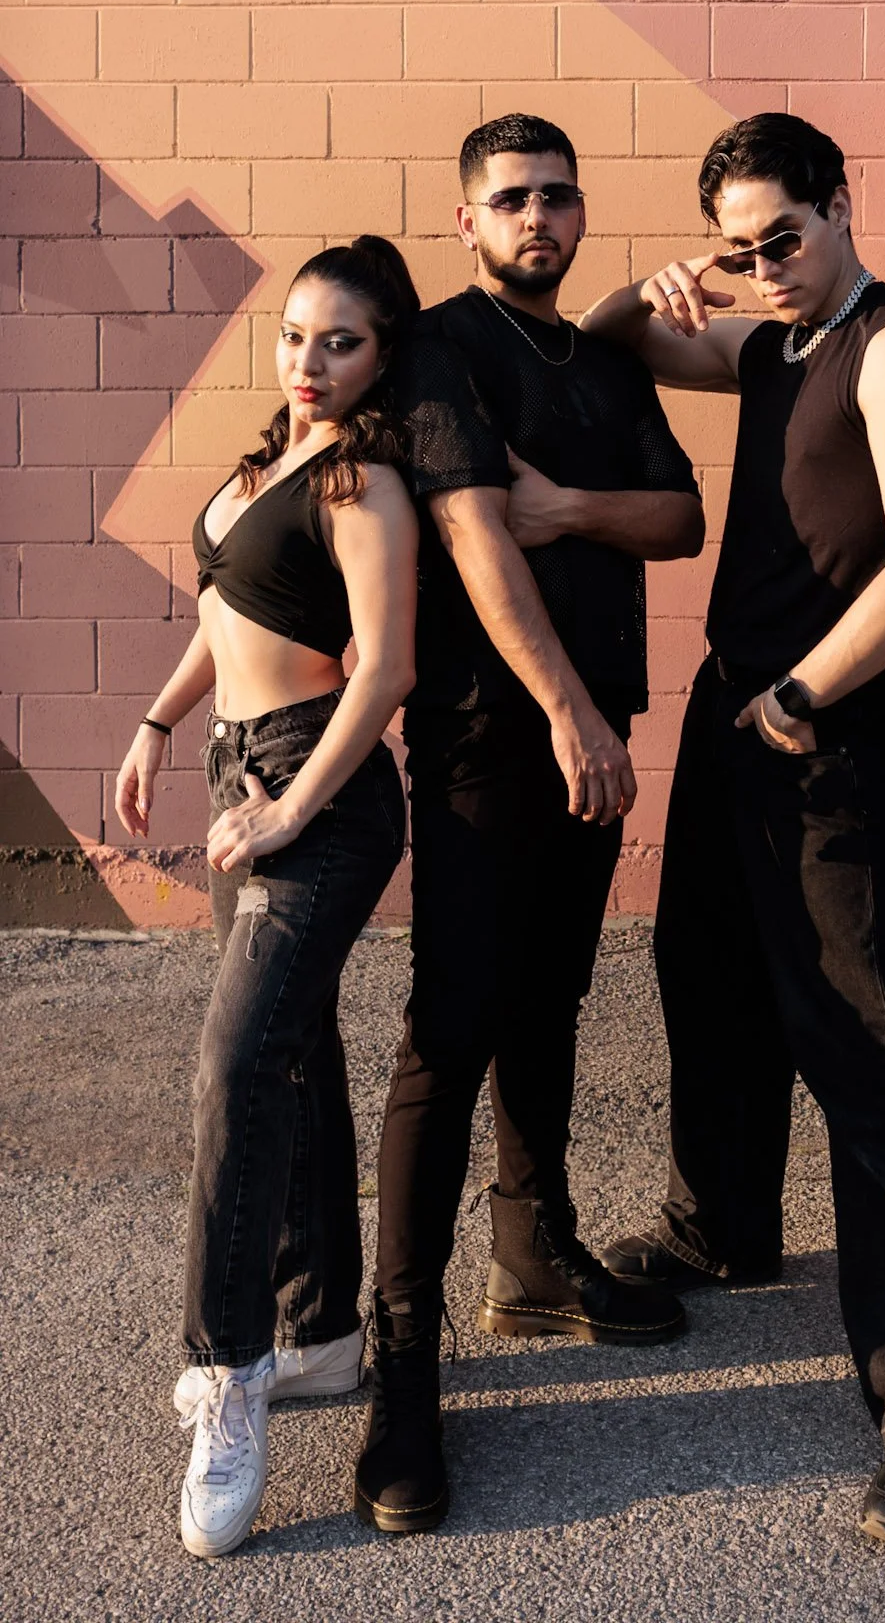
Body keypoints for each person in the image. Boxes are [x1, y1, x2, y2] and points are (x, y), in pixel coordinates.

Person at [581, 113, 885, 1550]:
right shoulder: (770, 341)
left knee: (868, 1036)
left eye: (786, 235)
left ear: (842, 205)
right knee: (703, 971)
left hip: (818, 724)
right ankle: (725, 1223)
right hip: (737, 708)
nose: (767, 266)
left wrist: (800, 694)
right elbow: (609, 339)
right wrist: (670, 278)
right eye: (742, 244)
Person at [355, 113, 705, 1536]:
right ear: (467, 220)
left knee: (552, 994)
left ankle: (535, 1254)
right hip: (495, 735)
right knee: (452, 1020)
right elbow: (473, 534)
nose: (539, 219)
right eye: (511, 200)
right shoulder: (445, 349)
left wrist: (573, 503)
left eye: (559, 198)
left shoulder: (605, 358)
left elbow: (680, 518)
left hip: (594, 724)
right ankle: (402, 1361)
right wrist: (564, 706)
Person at [114, 238, 421, 1560]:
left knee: (235, 1067)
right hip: (244, 769)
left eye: (339, 342)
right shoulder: (264, 471)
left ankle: (230, 1370)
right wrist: (155, 722)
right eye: (297, 335)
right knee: (294, 1056)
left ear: (383, 357)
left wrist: (292, 810)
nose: (308, 361)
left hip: (321, 795)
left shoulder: (365, 484)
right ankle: (326, 1330)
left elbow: (387, 668)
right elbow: (223, 613)